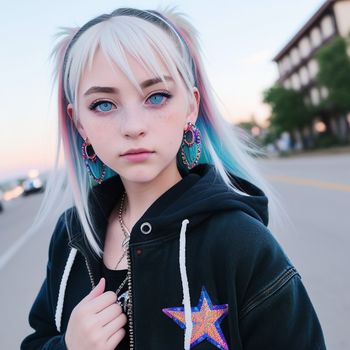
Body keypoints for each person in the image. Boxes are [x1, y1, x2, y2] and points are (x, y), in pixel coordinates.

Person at [21, 7, 326, 350]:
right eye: (104, 104)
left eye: (157, 97)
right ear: (80, 124)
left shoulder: (239, 240)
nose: (133, 126)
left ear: (191, 107)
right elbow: (37, 339)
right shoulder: (73, 236)